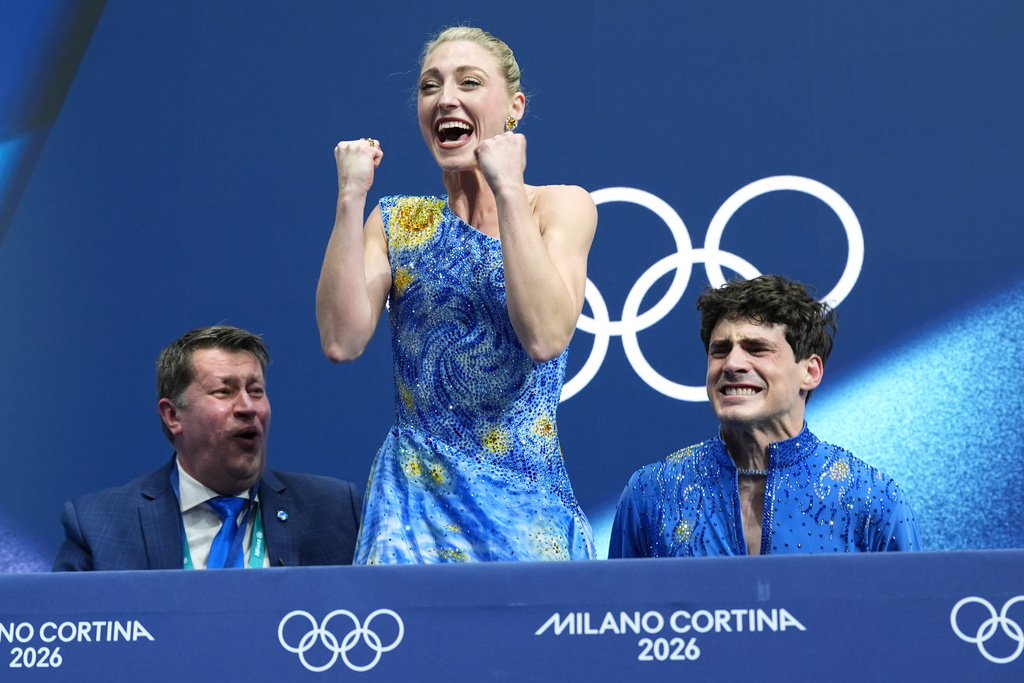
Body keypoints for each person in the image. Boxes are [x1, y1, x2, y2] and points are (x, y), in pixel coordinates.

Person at [316, 27, 597, 563]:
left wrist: (508, 188)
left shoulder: (559, 207)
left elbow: (544, 335)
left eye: (469, 82)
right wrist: (351, 198)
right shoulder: (399, 221)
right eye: (430, 86)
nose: (446, 98)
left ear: (513, 108)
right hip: (410, 511)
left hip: (525, 512)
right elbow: (341, 340)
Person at [609, 275, 920, 557]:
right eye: (720, 350)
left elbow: (910, 616)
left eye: (756, 349)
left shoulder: (873, 499)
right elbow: (616, 614)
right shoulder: (651, 492)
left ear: (809, 372)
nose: (732, 364)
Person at [53, 325, 362, 570]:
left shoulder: (335, 511)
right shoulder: (100, 526)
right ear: (173, 415)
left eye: (256, 391)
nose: (247, 407)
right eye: (223, 391)